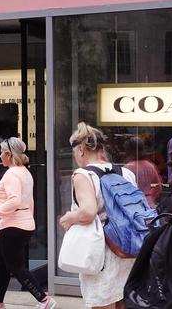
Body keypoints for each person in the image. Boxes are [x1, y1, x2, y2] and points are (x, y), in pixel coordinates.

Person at [59, 122, 136, 309]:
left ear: (82, 149)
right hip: (126, 248)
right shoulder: (125, 172)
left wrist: (69, 217)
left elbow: (87, 212)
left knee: (102, 303)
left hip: (101, 252)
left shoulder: (83, 175)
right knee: (121, 301)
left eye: (75, 152)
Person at [0, 137, 56, 309]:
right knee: (2, 264)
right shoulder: (24, 172)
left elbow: (14, 201)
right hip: (21, 224)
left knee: (16, 267)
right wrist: (29, 219)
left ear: (8, 155)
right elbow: (28, 201)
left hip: (13, 225)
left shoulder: (12, 174)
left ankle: (44, 300)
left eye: (1, 153)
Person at [121, 136, 162, 207]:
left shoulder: (127, 168)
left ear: (128, 151)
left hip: (134, 206)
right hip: (150, 205)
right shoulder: (150, 166)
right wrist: (150, 197)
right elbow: (158, 187)